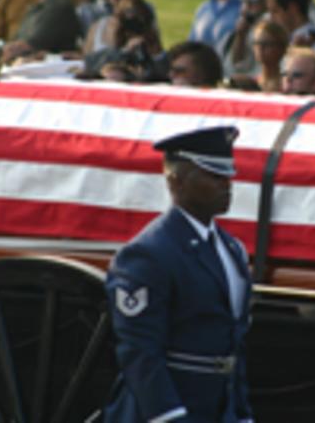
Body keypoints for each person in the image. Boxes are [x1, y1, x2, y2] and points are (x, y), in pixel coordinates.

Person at [104, 126, 252, 422]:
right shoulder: (148, 254)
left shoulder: (231, 249)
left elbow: (233, 344)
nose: (227, 185)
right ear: (177, 181)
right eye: (214, 176)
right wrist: (169, 417)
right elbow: (140, 352)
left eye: (228, 176)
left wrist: (241, 413)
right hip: (167, 410)